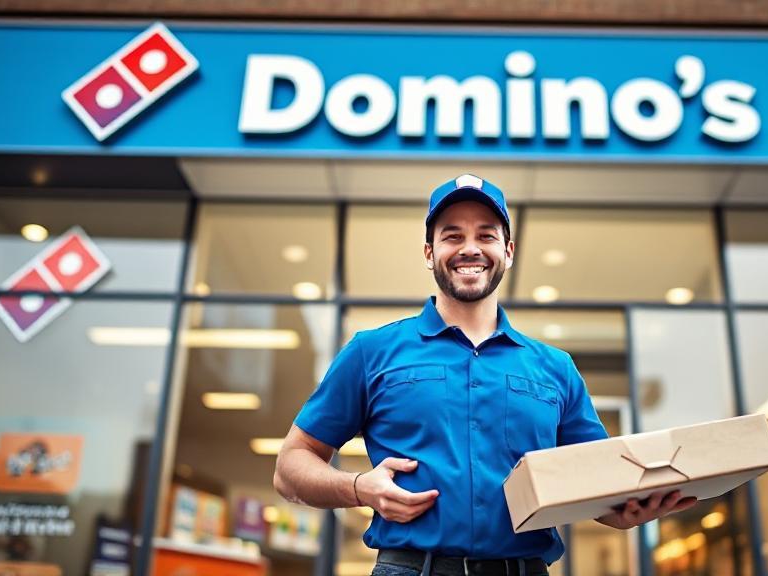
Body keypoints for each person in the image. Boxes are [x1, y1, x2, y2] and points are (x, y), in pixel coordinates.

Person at [274, 174, 697, 576]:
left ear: (508, 251)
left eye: (486, 235)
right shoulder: (372, 352)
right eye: (452, 235)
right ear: (429, 253)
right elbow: (291, 464)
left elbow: (601, 489)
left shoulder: (556, 369)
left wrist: (626, 512)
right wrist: (360, 487)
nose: (469, 248)